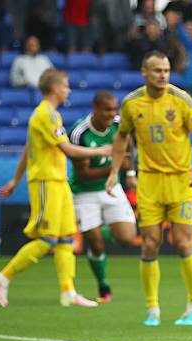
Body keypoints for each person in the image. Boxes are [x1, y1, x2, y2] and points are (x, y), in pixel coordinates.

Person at [105, 51, 192, 327]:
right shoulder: (131, 104)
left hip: (181, 182)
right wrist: (115, 172)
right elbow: (121, 138)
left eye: (166, 70)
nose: (163, 75)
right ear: (144, 72)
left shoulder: (181, 99)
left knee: (184, 242)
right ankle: (152, 309)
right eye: (157, 70)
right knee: (151, 244)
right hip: (149, 183)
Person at [0, 68, 112, 308]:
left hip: (59, 181)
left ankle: (68, 292)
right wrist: (101, 150)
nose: (69, 90)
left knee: (67, 237)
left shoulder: (49, 115)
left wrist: (15, 180)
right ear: (55, 88)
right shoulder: (46, 115)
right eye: (66, 86)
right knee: (47, 240)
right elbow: (67, 149)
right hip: (45, 181)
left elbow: (29, 148)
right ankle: (2, 278)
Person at [69, 91, 138, 303]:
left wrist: (130, 172)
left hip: (112, 188)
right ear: (95, 108)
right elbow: (84, 173)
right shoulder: (80, 133)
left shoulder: (119, 124)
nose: (112, 114)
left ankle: (99, 228)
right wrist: (112, 165)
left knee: (127, 238)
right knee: (96, 245)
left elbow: (129, 146)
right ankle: (103, 283)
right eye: (107, 109)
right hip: (84, 193)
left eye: (115, 109)